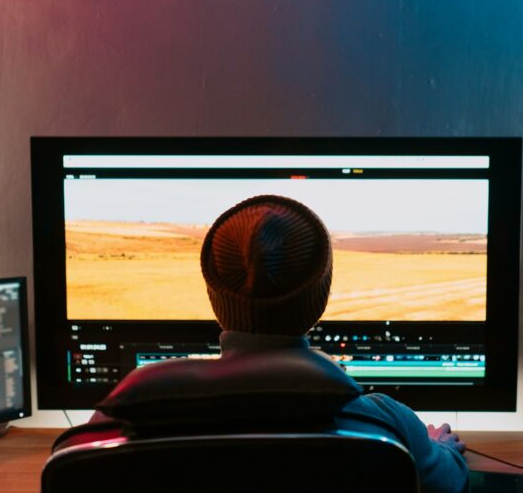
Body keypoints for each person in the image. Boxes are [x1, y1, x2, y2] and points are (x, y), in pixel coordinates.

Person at [57, 195, 470, 493]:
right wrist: (435, 447)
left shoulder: (119, 423)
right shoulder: (384, 427)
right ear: (321, 296)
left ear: (214, 296)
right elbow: (450, 482)